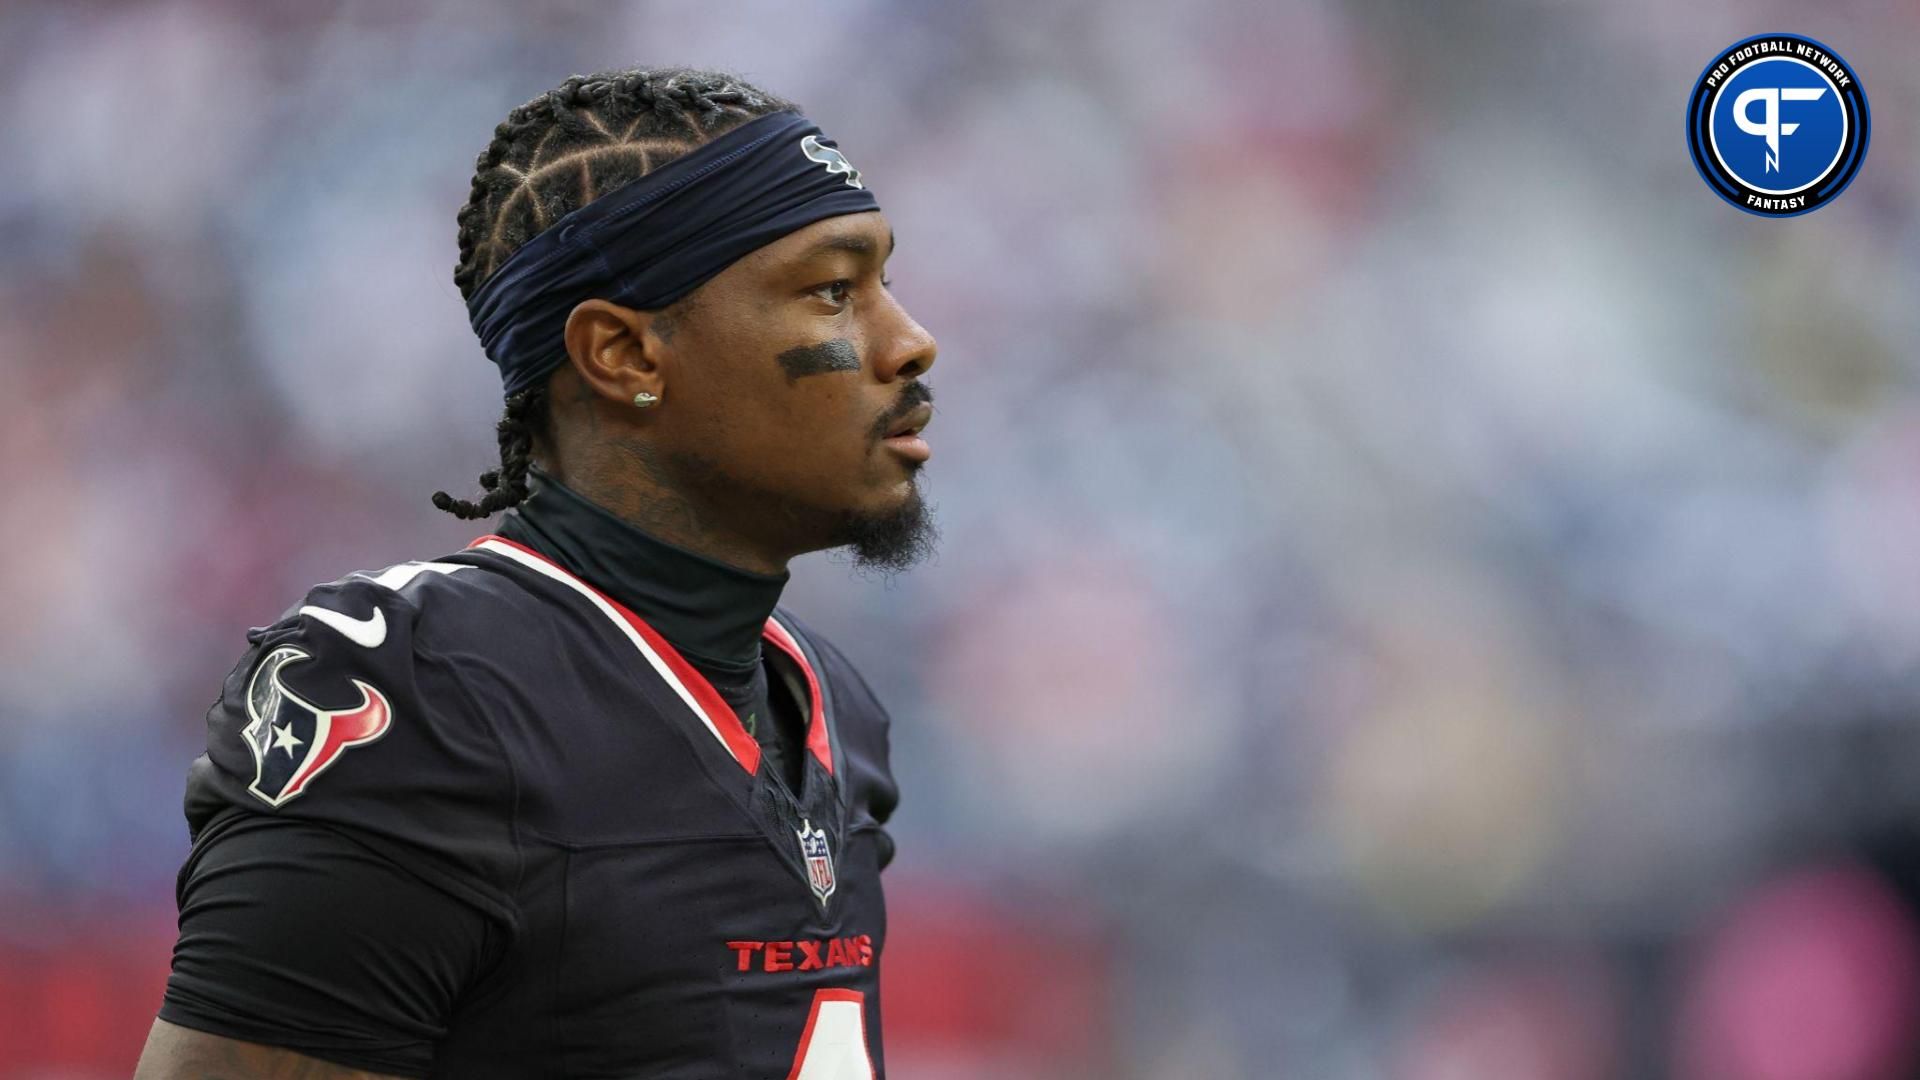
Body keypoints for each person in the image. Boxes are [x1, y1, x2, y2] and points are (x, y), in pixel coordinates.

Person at [134, 66, 938, 1079]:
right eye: (833, 291)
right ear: (624, 354)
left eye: (884, 285)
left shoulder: (835, 707)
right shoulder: (423, 697)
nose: (910, 342)